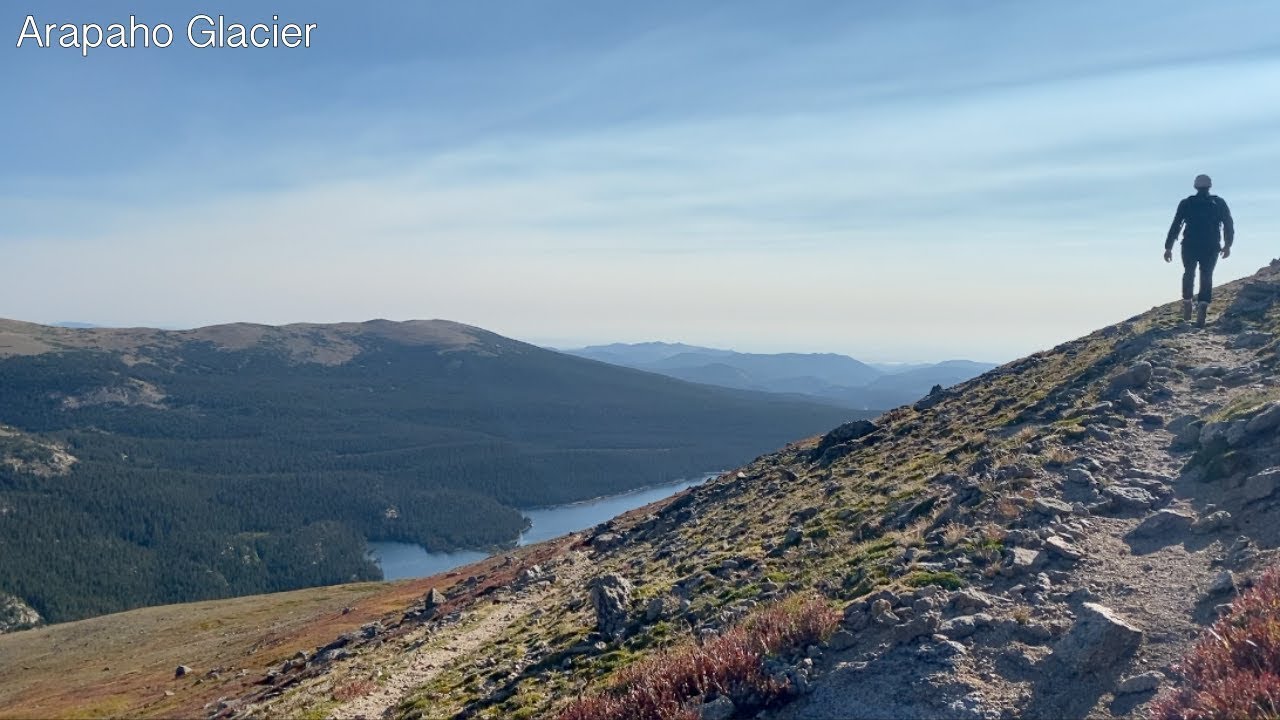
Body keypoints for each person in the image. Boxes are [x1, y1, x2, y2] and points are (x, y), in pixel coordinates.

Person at [1164, 174, 1234, 327]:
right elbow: (1228, 224)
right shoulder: (1219, 203)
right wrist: (1228, 245)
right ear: (1210, 186)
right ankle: (1202, 306)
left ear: (1195, 186)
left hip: (1190, 245)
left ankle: (1187, 302)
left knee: (1189, 272)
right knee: (1206, 274)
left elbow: (1176, 225)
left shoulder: (1187, 203)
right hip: (1211, 245)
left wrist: (1168, 247)